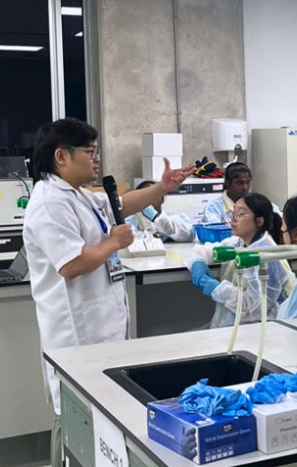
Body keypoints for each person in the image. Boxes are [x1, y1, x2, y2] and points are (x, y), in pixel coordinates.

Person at [23, 118, 193, 465]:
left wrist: (161, 188)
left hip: (102, 329)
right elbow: (70, 264)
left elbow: (121, 205)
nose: (96, 159)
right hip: (76, 336)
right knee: (75, 419)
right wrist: (114, 242)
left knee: (100, 420)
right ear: (61, 156)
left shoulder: (78, 194)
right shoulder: (49, 203)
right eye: (89, 152)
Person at [188, 193, 293, 326]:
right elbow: (205, 251)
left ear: (259, 221)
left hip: (256, 328)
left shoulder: (266, 256)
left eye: (240, 214)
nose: (233, 219)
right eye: (233, 213)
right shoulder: (239, 242)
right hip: (232, 325)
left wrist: (218, 289)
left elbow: (254, 309)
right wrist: (198, 262)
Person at [203, 162, 281, 223]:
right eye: (239, 183)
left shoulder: (256, 203)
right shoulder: (213, 208)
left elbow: (280, 217)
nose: (245, 187)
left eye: (248, 182)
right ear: (227, 183)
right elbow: (215, 233)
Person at [125, 180, 195, 242]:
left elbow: (190, 234)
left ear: (161, 200)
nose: (148, 199)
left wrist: (156, 217)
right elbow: (129, 239)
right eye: (145, 196)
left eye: (153, 194)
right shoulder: (132, 219)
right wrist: (157, 236)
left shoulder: (172, 216)